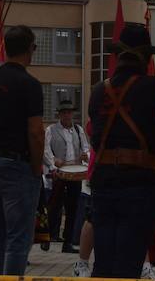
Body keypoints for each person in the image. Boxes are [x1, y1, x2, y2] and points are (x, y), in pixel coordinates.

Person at [87, 23, 155, 280]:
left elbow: (95, 137)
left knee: (104, 262)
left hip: (104, 182)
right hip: (140, 184)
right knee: (127, 265)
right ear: (145, 57)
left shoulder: (98, 91)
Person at [0, 25, 45, 276]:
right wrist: (37, 167)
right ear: (31, 49)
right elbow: (36, 131)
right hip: (16, 164)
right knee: (18, 237)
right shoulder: (30, 84)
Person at [44, 97, 90, 255]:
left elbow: (86, 148)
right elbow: (46, 151)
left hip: (75, 174)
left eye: (69, 113)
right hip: (59, 173)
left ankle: (68, 242)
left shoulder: (78, 130)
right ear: (59, 115)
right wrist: (53, 163)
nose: (67, 116)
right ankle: (46, 238)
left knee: (72, 209)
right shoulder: (51, 130)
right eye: (64, 113)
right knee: (53, 207)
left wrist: (86, 156)